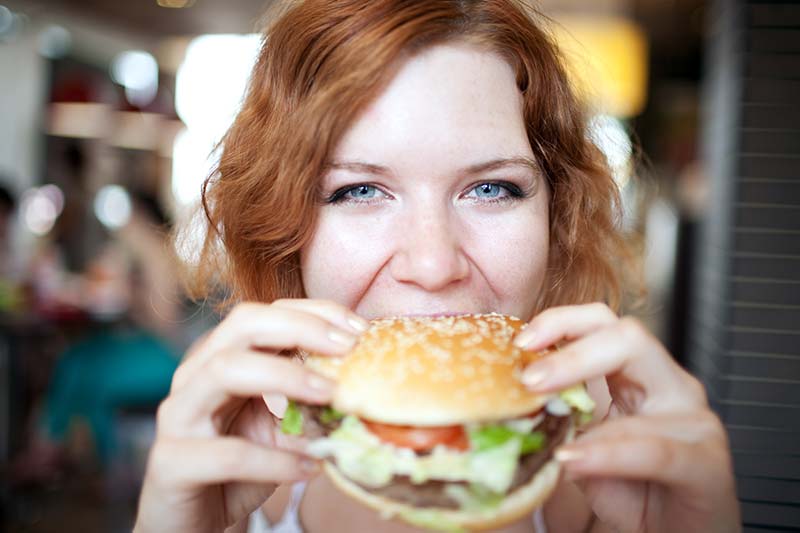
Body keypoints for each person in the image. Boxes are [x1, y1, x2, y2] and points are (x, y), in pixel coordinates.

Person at [135, 1, 740, 532]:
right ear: (283, 226)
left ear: (556, 218)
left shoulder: (601, 484)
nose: (432, 265)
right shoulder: (231, 437)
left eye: (493, 188)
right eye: (358, 191)